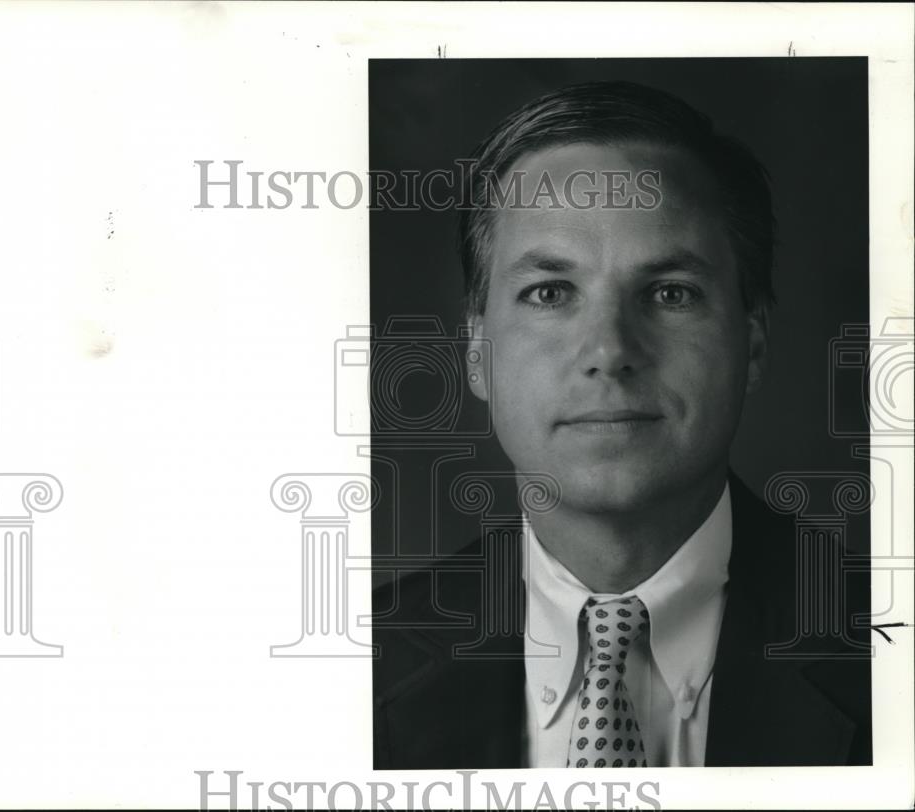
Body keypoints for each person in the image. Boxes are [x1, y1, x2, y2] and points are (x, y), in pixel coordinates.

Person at [372, 81, 872, 769]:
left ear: (752, 342)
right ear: (477, 352)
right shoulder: (355, 664)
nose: (609, 352)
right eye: (550, 294)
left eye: (670, 294)